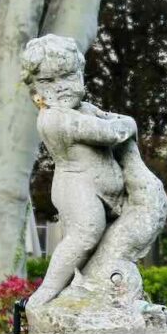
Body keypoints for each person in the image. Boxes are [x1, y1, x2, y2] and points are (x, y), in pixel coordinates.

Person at [21, 35, 137, 308]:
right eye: (48, 81)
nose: (60, 87)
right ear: (35, 88)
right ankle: (48, 289)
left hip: (98, 188)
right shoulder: (55, 118)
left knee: (103, 243)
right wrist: (129, 123)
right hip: (77, 187)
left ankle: (91, 288)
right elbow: (110, 132)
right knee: (86, 234)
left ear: (81, 73)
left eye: (67, 76)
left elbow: (106, 119)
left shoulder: (83, 108)